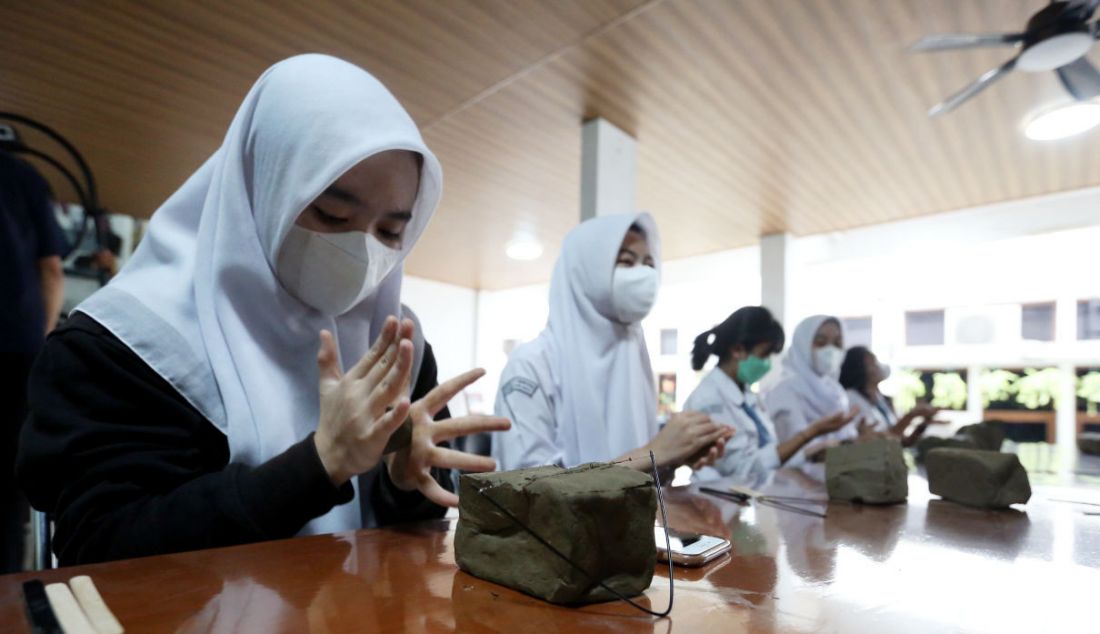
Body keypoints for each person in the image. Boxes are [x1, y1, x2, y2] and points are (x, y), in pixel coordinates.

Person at [15, 55, 509, 566]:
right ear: (263, 185)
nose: (362, 251)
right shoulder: (129, 342)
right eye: (332, 214)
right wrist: (319, 465)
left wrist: (402, 481)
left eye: (389, 232)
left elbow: (405, 543)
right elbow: (102, 548)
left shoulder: (393, 342)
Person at [490, 213, 732, 478]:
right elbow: (527, 487)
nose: (644, 274)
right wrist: (653, 454)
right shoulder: (531, 363)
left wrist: (675, 457)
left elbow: (637, 477)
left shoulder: (632, 355)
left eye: (649, 264)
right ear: (585, 270)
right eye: (627, 261)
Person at [684, 307, 858, 482]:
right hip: (718, 499)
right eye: (764, 355)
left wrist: (809, 453)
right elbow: (741, 468)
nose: (767, 364)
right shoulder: (709, 400)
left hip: (750, 494)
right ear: (737, 349)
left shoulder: (748, 397)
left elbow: (768, 453)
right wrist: (810, 433)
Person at [1, 150, 66, 573]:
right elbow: (52, 270)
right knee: (7, 494)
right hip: (14, 348)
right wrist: (40, 337)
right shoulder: (21, 176)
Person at [763, 315, 860, 462]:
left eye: (837, 343)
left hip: (832, 477)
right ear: (802, 344)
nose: (831, 350)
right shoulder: (784, 389)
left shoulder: (836, 391)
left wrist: (861, 439)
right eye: (821, 342)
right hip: (793, 481)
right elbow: (793, 451)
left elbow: (846, 438)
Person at [839, 346, 939, 446]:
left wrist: (923, 424)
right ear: (858, 368)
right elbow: (883, 439)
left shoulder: (880, 398)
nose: (878, 366)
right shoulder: (851, 398)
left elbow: (902, 441)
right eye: (873, 363)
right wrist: (911, 415)